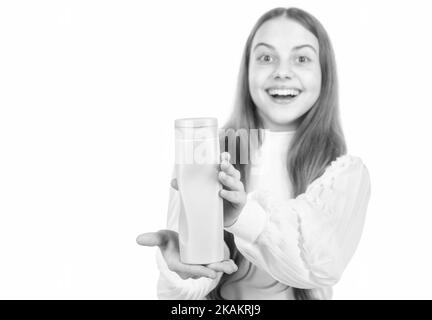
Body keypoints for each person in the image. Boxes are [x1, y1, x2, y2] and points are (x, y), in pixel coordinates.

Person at [136, 7, 371, 300]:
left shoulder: (343, 172)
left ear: (325, 73)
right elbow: (185, 298)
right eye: (266, 57)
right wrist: (184, 272)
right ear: (247, 70)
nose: (282, 72)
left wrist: (243, 216)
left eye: (301, 58)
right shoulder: (208, 153)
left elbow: (318, 266)